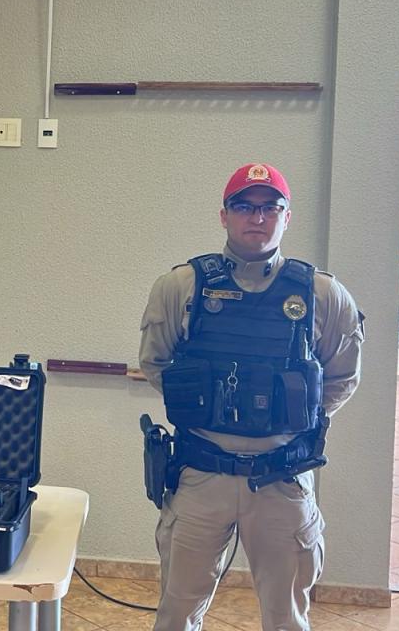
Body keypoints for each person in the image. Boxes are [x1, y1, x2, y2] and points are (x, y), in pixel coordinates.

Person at [139, 163, 364, 631]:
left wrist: (291, 419)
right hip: (201, 475)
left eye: (270, 207)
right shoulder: (181, 287)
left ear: (287, 216)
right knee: (176, 616)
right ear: (224, 215)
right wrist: (206, 410)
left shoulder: (323, 294)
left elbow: (342, 376)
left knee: (286, 620)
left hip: (282, 480)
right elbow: (156, 364)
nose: (257, 217)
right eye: (244, 206)